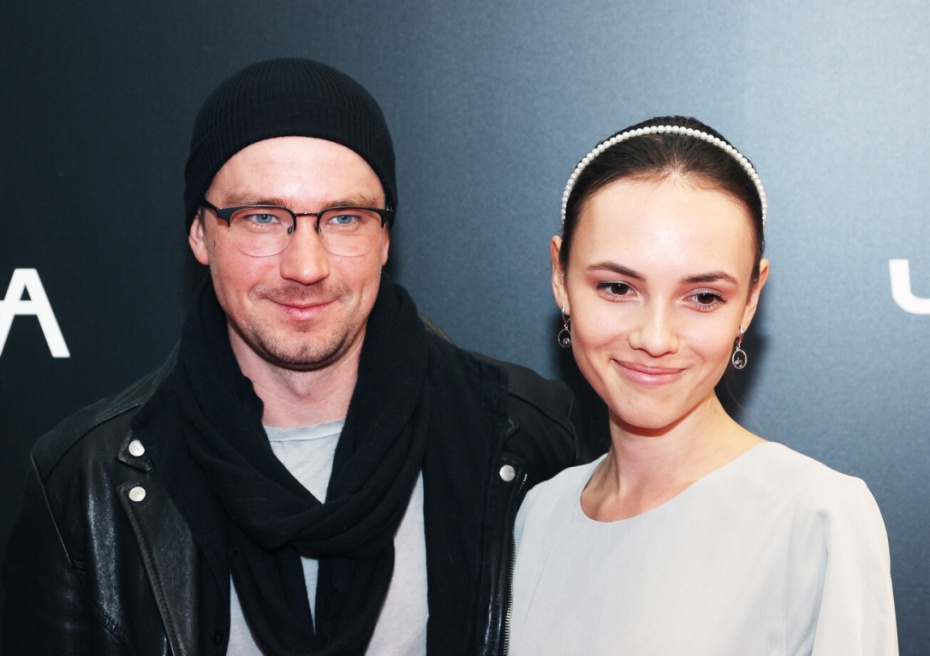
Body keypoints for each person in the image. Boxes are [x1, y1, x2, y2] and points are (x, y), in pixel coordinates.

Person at [1, 58, 580, 656]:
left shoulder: (524, 436)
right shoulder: (87, 480)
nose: (305, 266)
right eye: (262, 217)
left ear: (384, 238)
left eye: (345, 218)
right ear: (200, 232)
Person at [509, 116, 898, 655]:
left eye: (704, 297)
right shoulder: (537, 513)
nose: (655, 338)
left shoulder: (815, 516)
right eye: (617, 287)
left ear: (751, 300)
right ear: (560, 277)